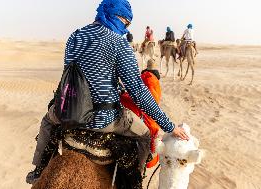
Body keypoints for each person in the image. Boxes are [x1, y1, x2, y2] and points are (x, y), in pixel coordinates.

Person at [26, 0, 189, 184]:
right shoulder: (119, 43)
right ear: (120, 18)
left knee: (48, 121)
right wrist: (169, 126)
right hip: (105, 119)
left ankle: (38, 171)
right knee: (144, 134)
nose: (125, 28)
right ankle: (135, 182)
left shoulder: (75, 37)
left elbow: (70, 78)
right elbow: (138, 91)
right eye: (126, 23)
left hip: (68, 113)